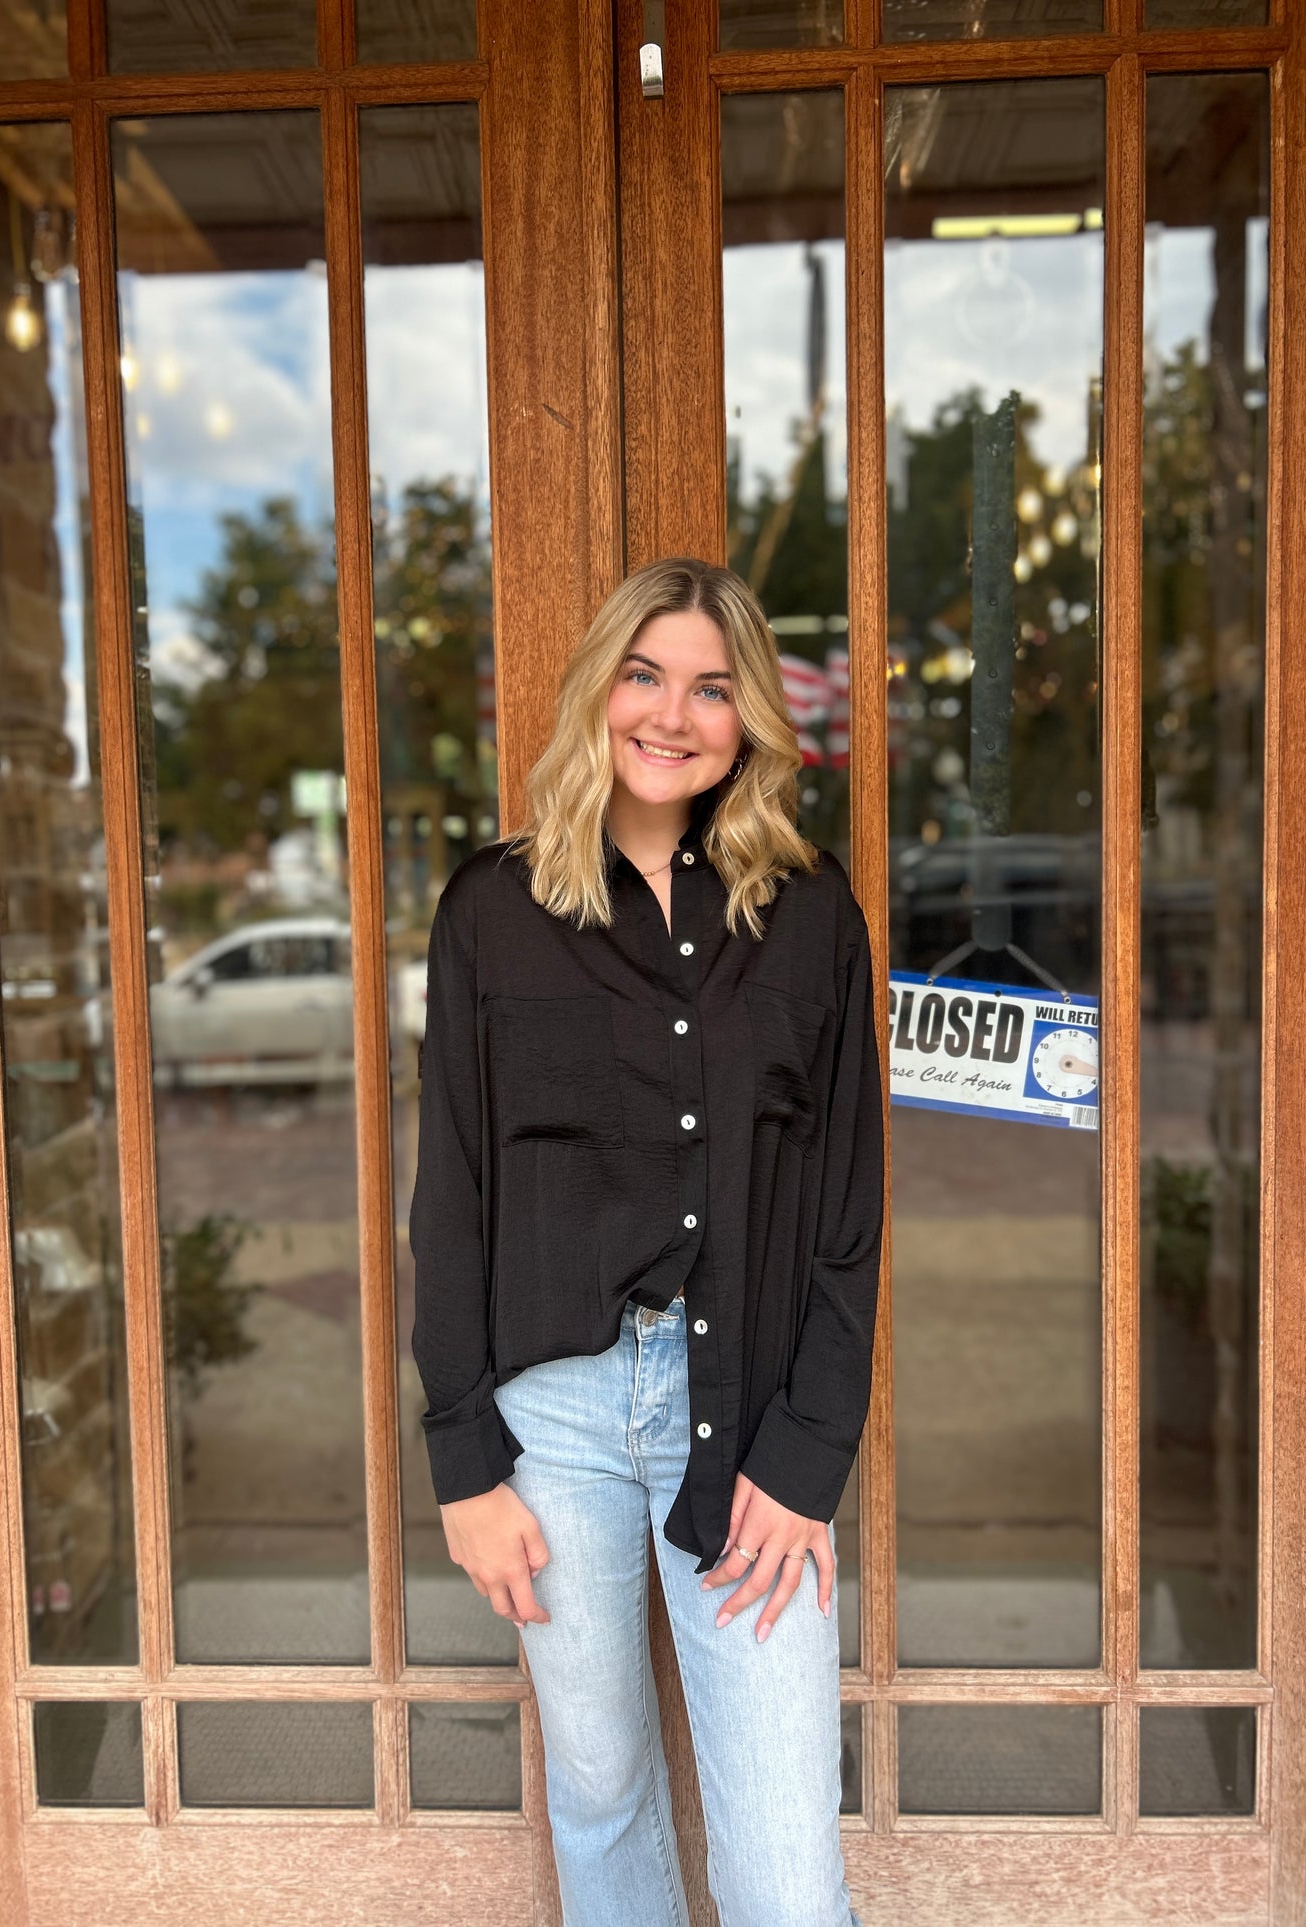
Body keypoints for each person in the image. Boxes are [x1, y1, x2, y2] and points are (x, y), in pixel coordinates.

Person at [410, 556, 883, 1926]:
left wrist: (806, 1460)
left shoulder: (807, 917)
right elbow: (452, 1196)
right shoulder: (490, 910)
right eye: (644, 675)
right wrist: (463, 1463)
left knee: (789, 1867)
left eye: (711, 688)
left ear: (750, 722)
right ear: (597, 693)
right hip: (551, 1425)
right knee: (603, 1791)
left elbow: (846, 1210)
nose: (671, 715)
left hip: (748, 1427)